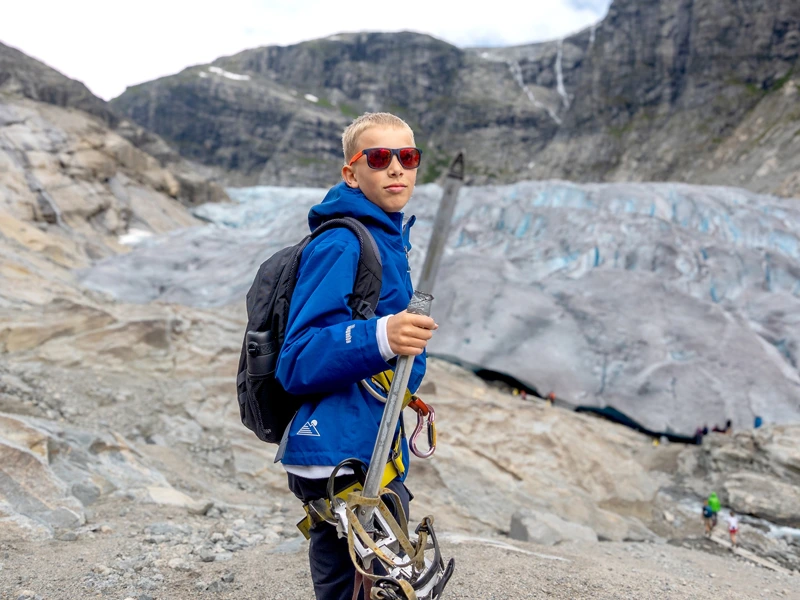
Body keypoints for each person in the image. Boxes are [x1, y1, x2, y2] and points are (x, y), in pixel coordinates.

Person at [274, 112, 435, 600]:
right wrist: (382, 335)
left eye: (406, 157)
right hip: (339, 456)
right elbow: (297, 359)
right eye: (379, 157)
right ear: (351, 172)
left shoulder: (385, 238)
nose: (395, 169)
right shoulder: (342, 243)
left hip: (367, 445)